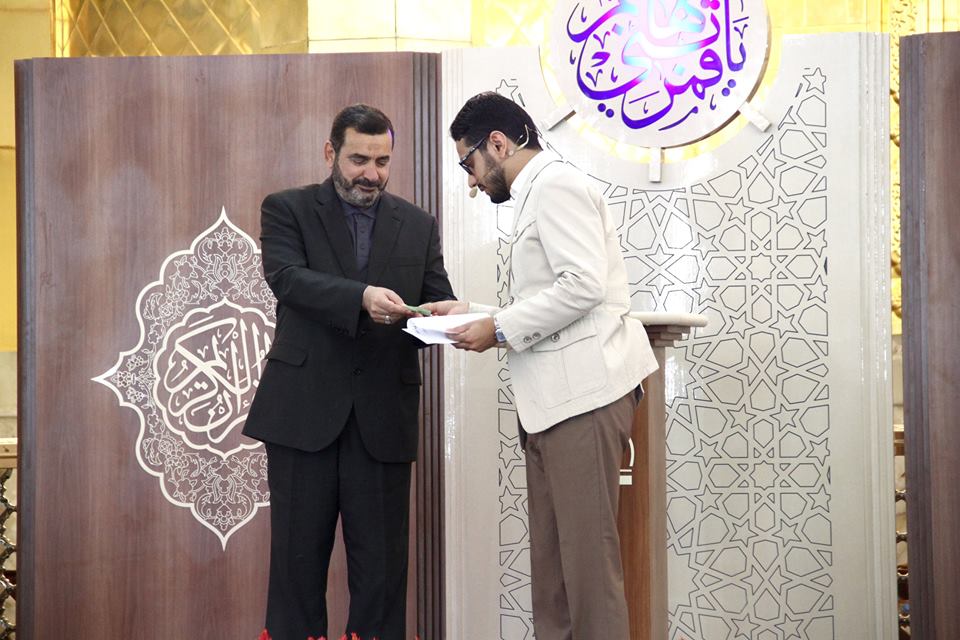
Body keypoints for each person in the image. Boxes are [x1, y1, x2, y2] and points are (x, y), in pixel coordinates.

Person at [426, 91, 658, 639]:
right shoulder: (539, 191)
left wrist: (498, 328)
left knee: (587, 576)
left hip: (583, 401)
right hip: (554, 406)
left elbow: (583, 286)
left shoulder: (556, 185)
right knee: (554, 580)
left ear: (498, 144)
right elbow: (549, 298)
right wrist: (475, 312)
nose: (471, 182)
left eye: (468, 165)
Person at [243, 104, 455, 640]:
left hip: (382, 420)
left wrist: (448, 315)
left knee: (382, 574)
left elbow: (435, 299)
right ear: (330, 153)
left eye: (382, 162)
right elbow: (288, 279)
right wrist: (361, 298)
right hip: (301, 415)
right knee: (295, 570)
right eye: (359, 159)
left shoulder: (418, 224)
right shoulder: (287, 209)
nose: (371, 174)